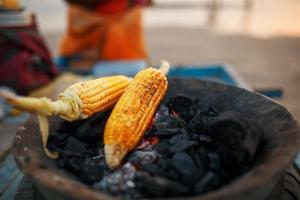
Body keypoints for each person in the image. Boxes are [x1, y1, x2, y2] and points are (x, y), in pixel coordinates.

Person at [58, 0, 149, 68]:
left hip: (116, 62)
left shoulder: (128, 16)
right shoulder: (77, 12)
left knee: (136, 66)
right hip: (77, 60)